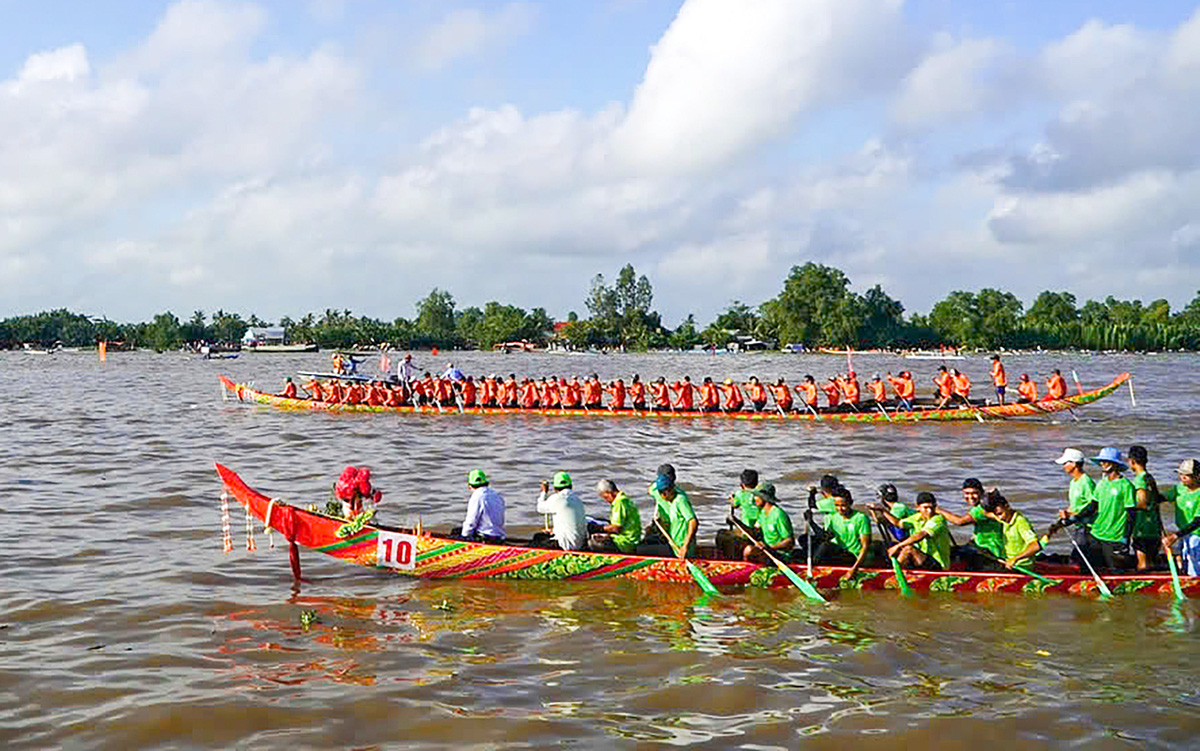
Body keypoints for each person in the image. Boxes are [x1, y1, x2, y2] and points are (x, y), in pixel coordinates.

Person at [1066, 447, 1135, 570]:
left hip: (1115, 537)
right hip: (1096, 534)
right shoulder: (1101, 484)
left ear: (1115, 464)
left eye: (1106, 461)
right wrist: (1073, 518)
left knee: (1115, 570)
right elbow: (1092, 507)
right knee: (1094, 568)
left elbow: (1131, 514)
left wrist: (1126, 538)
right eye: (1102, 461)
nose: (1103, 464)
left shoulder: (1126, 486)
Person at [938, 478, 1005, 569]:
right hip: (980, 546)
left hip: (989, 550)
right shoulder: (980, 506)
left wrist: (939, 510)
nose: (970, 497)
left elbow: (959, 521)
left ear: (981, 493)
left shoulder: (982, 508)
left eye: (974, 493)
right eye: (967, 493)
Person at [1047, 448, 1097, 561]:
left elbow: (1093, 507)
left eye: (1065, 463)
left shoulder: (1086, 482)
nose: (1063, 466)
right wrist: (1063, 517)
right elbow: (1074, 505)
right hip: (1078, 525)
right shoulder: (1073, 482)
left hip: (1088, 528)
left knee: (1079, 556)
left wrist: (1070, 514)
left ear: (1074, 464)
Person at [881, 491, 952, 570]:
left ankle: (894, 574)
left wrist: (898, 546)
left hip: (938, 564)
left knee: (908, 549)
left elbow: (921, 535)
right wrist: (883, 511)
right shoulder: (916, 517)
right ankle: (896, 571)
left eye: (932, 507)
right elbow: (897, 523)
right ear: (917, 507)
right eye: (925, 508)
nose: (929, 511)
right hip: (923, 558)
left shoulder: (938, 519)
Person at [814, 485, 873, 579]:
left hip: (852, 556)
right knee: (807, 539)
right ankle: (811, 567)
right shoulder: (832, 517)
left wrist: (854, 569)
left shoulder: (861, 518)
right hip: (839, 552)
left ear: (850, 503)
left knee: (825, 547)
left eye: (843, 506)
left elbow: (865, 546)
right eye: (837, 505)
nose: (840, 509)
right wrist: (811, 522)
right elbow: (825, 537)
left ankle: (814, 570)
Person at [979, 489, 1040, 569]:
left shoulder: (1020, 522)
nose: (999, 518)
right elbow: (985, 513)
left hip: (1021, 566)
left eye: (1000, 514)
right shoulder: (1003, 517)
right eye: (996, 515)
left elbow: (1035, 546)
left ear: (1007, 506)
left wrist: (1015, 559)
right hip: (1008, 562)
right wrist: (989, 495)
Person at [648, 465, 698, 558]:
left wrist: (685, 546)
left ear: (666, 493)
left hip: (683, 545)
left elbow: (693, 521)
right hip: (673, 541)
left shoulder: (680, 500)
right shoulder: (669, 499)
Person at [1161, 459, 1200, 576]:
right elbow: (1161, 498)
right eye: (1181, 474)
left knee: (1194, 568)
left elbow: (1198, 522)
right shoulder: (1179, 489)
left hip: (1197, 536)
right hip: (1184, 534)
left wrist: (1175, 536)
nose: (1182, 477)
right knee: (1184, 561)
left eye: (1187, 475)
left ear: (1198, 476)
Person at [1127, 445, 1163, 571]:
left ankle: (1142, 586)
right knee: (1151, 562)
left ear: (1131, 461)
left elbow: (1142, 503)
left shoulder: (1139, 479)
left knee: (1142, 563)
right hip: (1154, 526)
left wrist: (1125, 506)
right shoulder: (1149, 477)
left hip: (1143, 528)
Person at [742, 483, 795, 563]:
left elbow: (789, 542)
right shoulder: (762, 512)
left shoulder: (778, 514)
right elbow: (753, 530)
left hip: (778, 553)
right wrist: (736, 521)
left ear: (764, 498)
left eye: (756, 496)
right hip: (766, 550)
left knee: (749, 550)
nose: (754, 499)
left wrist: (770, 547)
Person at [536, 472, 588, 551]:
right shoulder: (578, 500)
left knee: (537, 538)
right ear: (571, 486)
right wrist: (554, 531)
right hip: (580, 544)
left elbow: (540, 508)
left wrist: (543, 492)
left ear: (555, 488)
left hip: (565, 546)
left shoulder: (557, 498)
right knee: (542, 536)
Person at [589, 479, 642, 553]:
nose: (606, 501)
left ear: (609, 493)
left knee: (593, 542)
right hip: (634, 539)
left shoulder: (619, 503)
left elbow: (616, 528)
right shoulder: (626, 499)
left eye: (605, 497)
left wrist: (598, 528)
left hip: (625, 542)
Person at [716, 469, 760, 559]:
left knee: (721, 534)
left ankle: (725, 557)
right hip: (759, 530)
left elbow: (734, 504)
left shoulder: (741, 494)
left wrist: (732, 499)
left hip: (747, 530)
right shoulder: (761, 496)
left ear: (742, 485)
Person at [458, 469, 506, 543]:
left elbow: (471, 522)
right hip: (500, 536)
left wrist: (464, 538)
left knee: (456, 532)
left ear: (470, 486)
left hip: (485, 538)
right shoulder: (497, 495)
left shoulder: (477, 496)